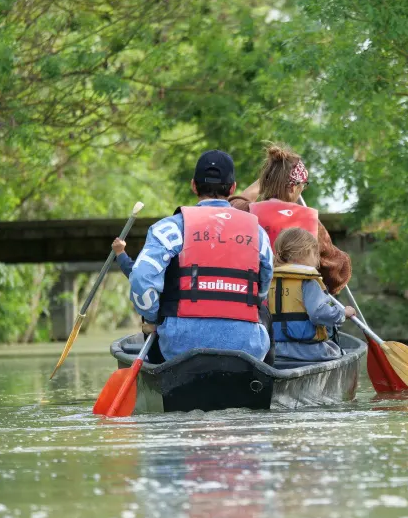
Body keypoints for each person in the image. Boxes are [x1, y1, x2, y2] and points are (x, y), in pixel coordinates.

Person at [127, 150, 274, 362]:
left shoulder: (169, 228)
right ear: (232, 188)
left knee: (154, 307)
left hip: (178, 348)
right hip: (248, 348)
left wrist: (152, 317)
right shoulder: (257, 232)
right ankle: (267, 380)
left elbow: (141, 278)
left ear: (194, 185)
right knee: (264, 312)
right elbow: (264, 285)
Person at [230, 145, 352, 294]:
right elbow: (337, 274)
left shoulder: (248, 212)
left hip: (255, 307)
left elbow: (235, 201)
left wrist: (266, 179)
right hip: (294, 309)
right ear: (293, 188)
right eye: (303, 185)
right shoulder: (312, 223)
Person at [268, 227, 355, 362]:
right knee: (338, 351)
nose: (318, 259)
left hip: (276, 350)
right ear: (308, 252)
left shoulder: (271, 279)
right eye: (316, 254)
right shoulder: (308, 281)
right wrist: (343, 313)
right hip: (309, 351)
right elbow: (319, 314)